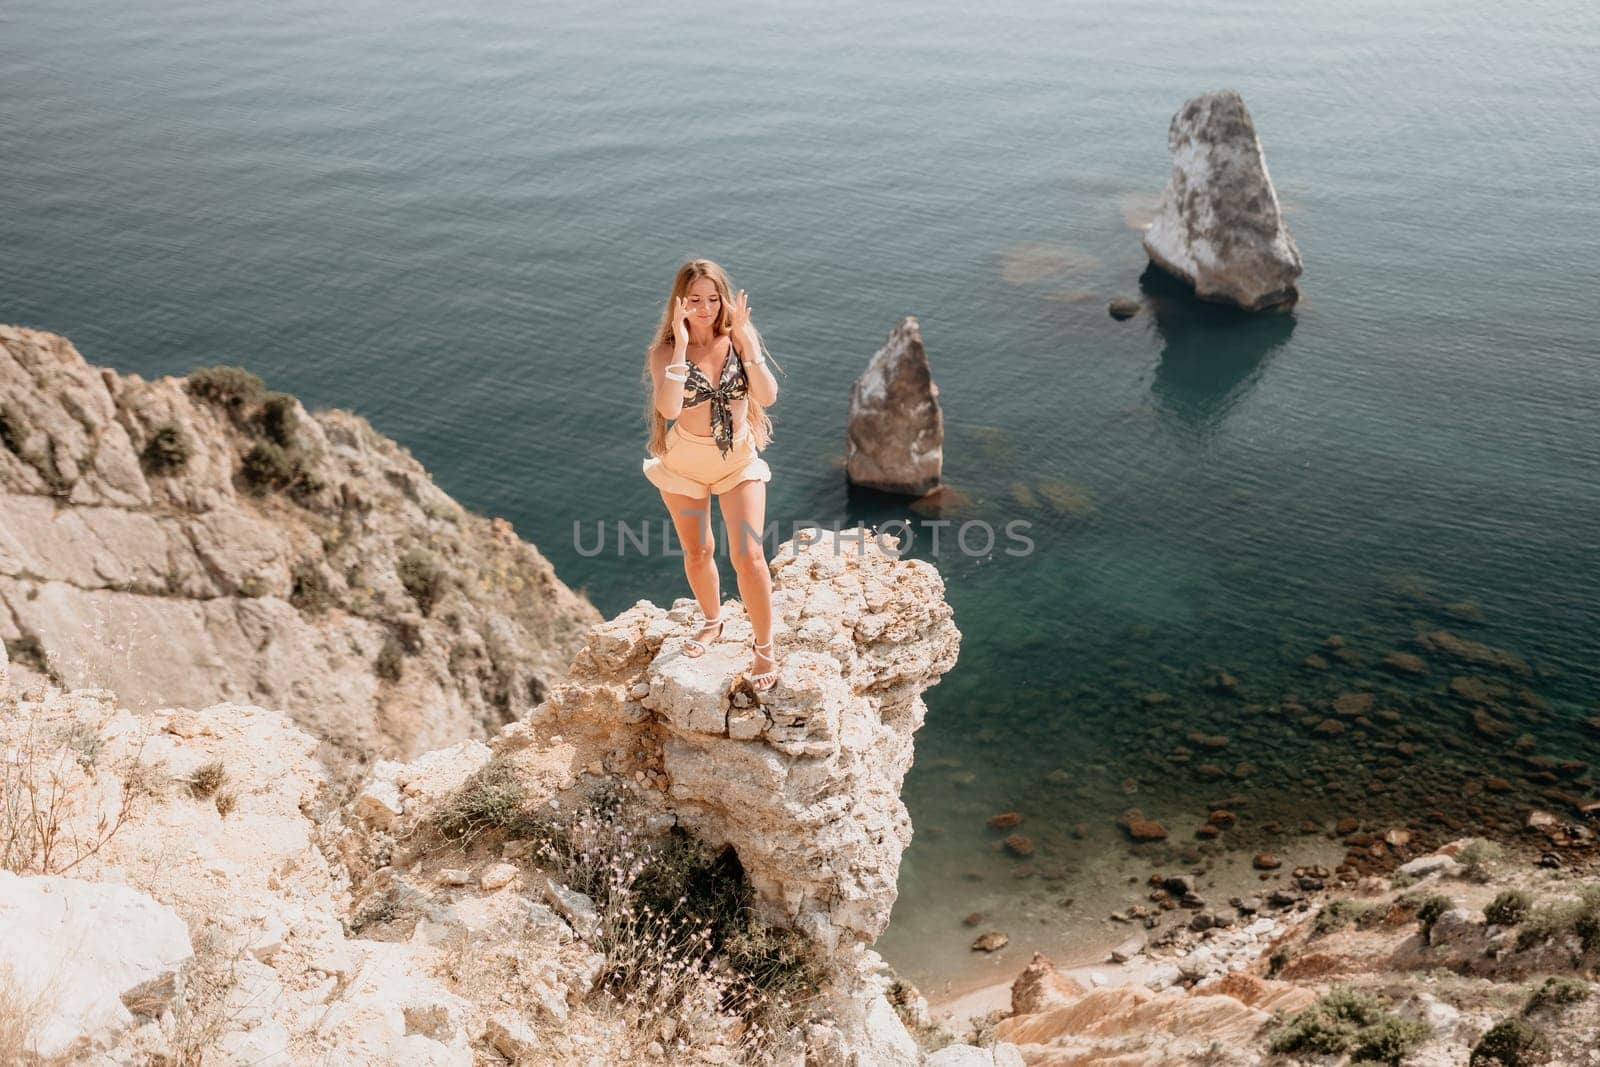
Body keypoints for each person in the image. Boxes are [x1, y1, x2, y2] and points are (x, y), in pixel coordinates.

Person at [642, 259, 783, 691]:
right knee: (699, 552)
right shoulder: (665, 352)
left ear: (724, 300)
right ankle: (712, 621)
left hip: (738, 461)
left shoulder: (738, 340)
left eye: (713, 298)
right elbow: (668, 410)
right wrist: (683, 349)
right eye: (695, 300)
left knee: (750, 556)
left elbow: (768, 396)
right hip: (685, 462)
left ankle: (764, 648)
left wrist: (746, 341)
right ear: (680, 303)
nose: (705, 309)